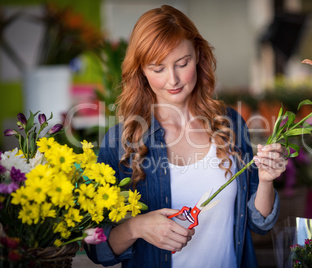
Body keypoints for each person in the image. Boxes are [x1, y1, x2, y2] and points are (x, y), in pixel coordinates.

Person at [85, 5, 287, 268]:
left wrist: (265, 181)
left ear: (198, 56)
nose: (174, 79)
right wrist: (136, 228)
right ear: (141, 72)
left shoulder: (230, 125)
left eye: (183, 63)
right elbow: (95, 248)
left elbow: (259, 223)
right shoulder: (121, 143)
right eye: (158, 69)